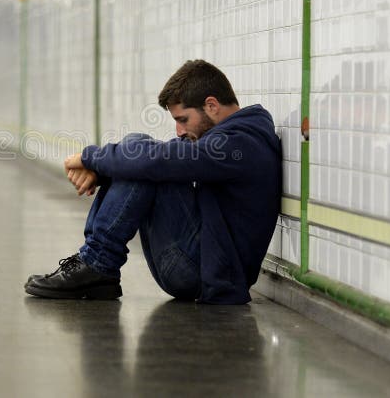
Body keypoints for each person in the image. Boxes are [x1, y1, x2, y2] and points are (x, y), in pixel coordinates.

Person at [24, 60, 282, 304]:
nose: (179, 131)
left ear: (212, 106)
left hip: (207, 278)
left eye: (183, 119)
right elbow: (161, 156)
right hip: (203, 266)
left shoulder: (239, 144)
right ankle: (96, 266)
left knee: (144, 156)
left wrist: (89, 158)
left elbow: (155, 159)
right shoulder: (230, 138)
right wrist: (101, 172)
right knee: (140, 152)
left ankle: (97, 264)